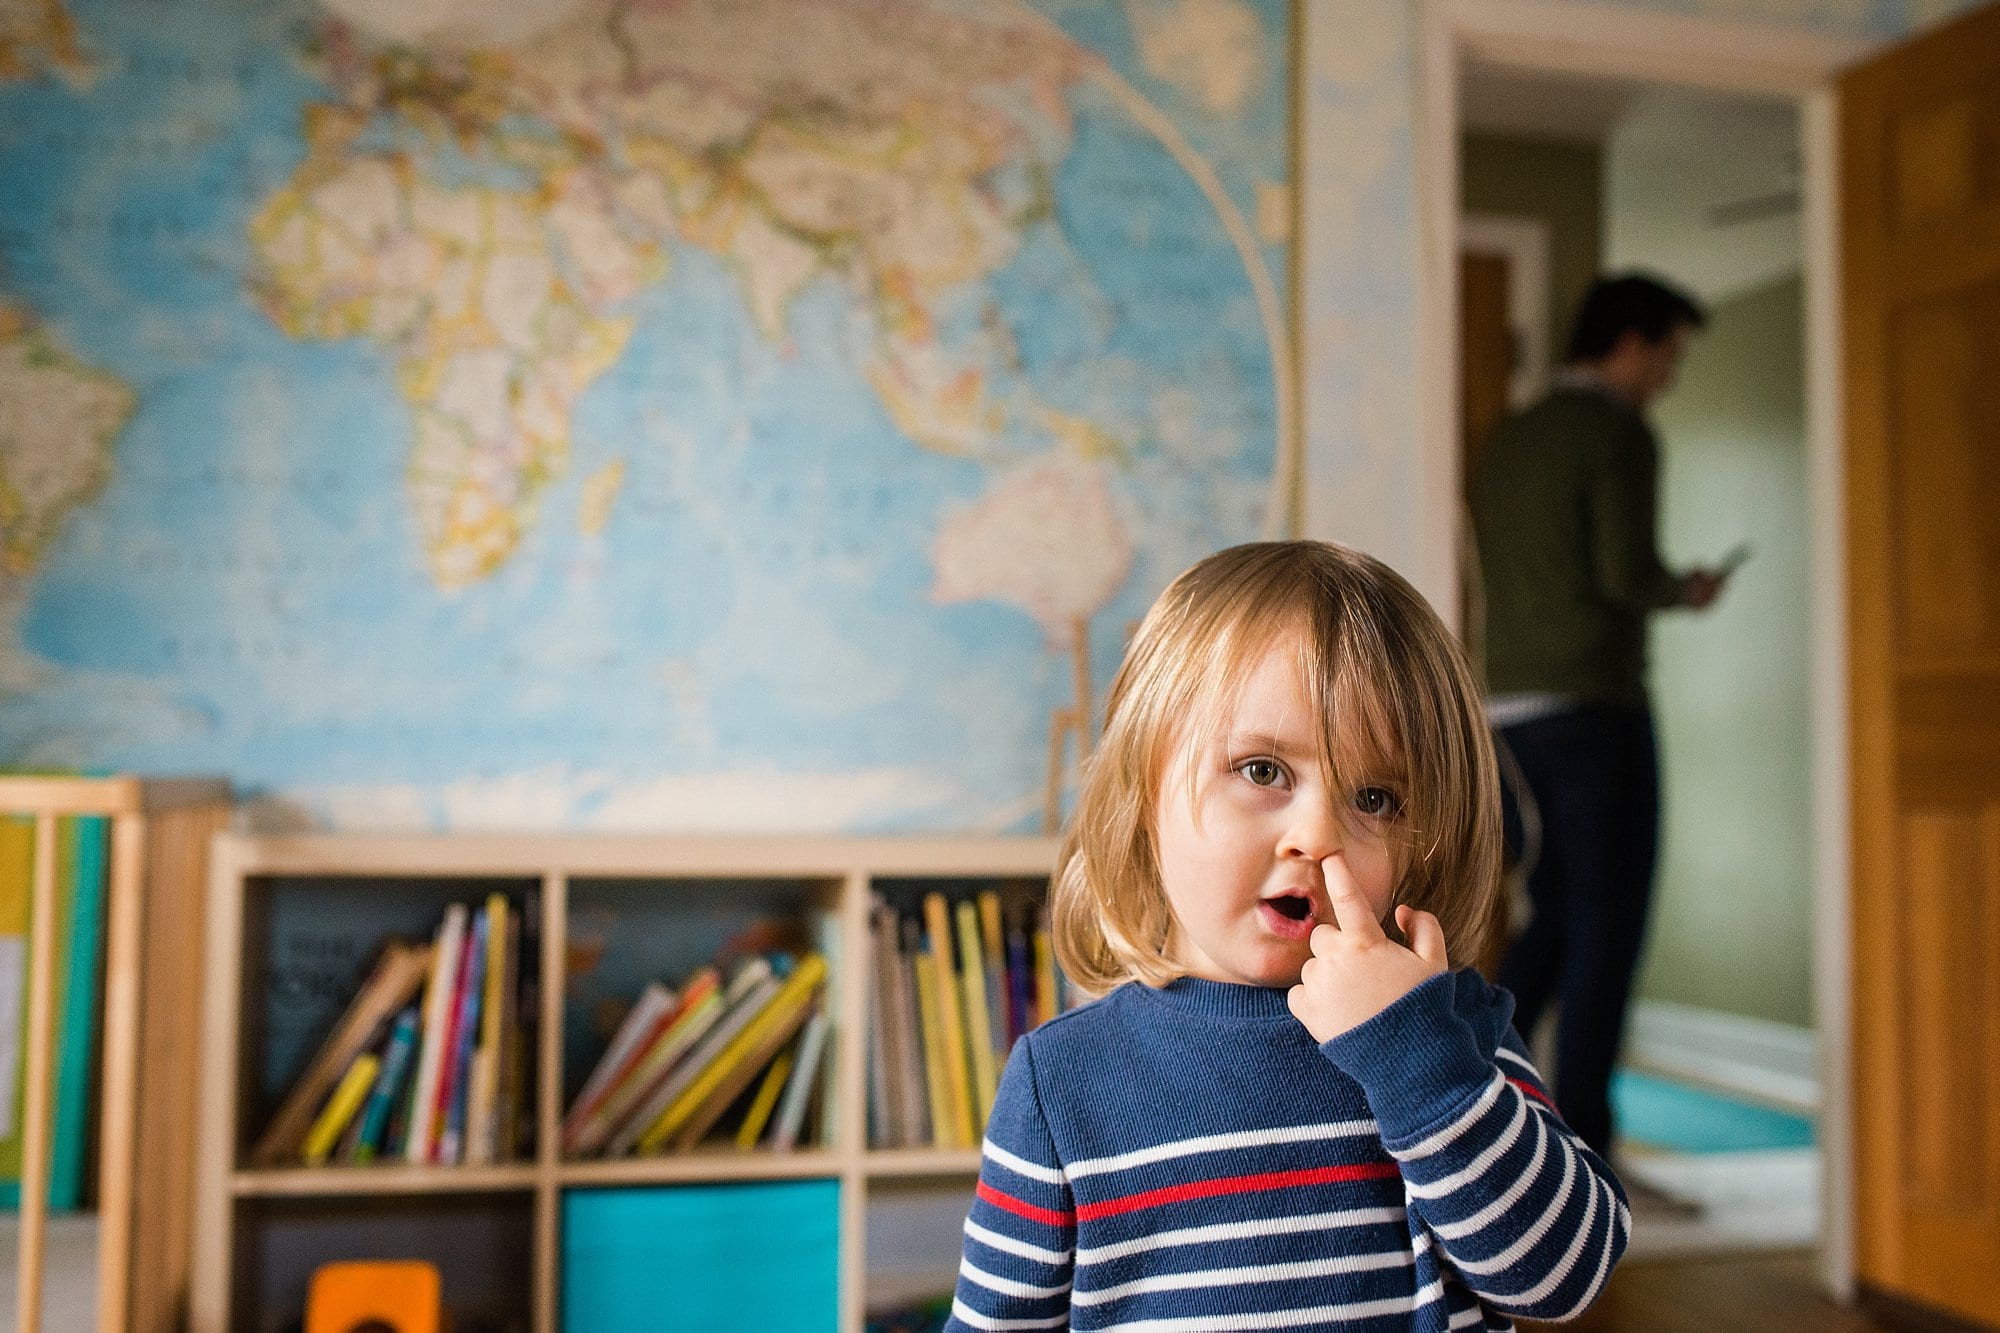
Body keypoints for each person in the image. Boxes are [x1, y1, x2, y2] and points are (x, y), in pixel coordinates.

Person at [943, 541, 1627, 1332]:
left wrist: (1422, 1065)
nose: (1317, 833)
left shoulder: (1455, 1032)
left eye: (1375, 796)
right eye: (1263, 770)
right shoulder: (1062, 1083)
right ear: (1143, 793)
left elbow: (1565, 1278)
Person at [1468, 273, 1727, 1161]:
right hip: (1593, 706)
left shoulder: (1511, 440)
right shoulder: (1617, 433)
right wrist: (1685, 589)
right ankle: (1584, 1152)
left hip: (1507, 712)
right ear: (1630, 343)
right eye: (1667, 355)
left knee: (1554, 917)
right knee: (1605, 930)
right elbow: (1626, 574)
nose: (1667, 377)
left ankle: (1477, 1103)